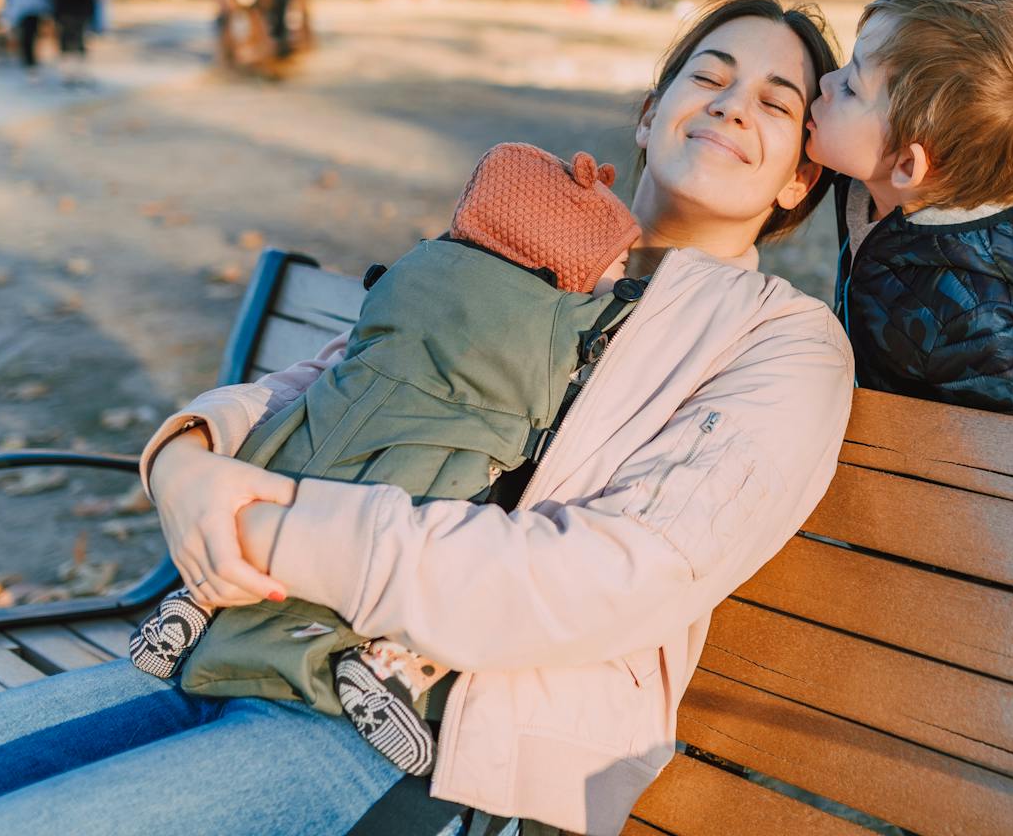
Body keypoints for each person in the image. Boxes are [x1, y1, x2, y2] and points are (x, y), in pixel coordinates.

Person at [0, 0, 851, 836]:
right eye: (707, 74)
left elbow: (608, 577)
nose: (729, 104)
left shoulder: (781, 343)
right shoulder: (520, 243)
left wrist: (275, 526)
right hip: (234, 638)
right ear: (649, 109)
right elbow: (326, 377)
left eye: (774, 98)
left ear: (802, 169)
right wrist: (188, 460)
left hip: (423, 731)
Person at [127, 143, 645, 780]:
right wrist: (181, 461)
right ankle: (388, 663)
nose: (621, 272)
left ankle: (195, 607)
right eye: (613, 260)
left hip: (325, 430)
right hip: (443, 462)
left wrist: (189, 453)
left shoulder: (420, 269)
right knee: (437, 543)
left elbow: (346, 360)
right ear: (563, 258)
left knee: (289, 484)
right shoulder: (568, 321)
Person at [805, 0, 1013, 427]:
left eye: (852, 87)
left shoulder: (970, 321)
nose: (826, 83)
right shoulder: (885, 192)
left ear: (909, 167)